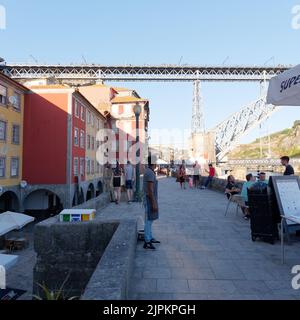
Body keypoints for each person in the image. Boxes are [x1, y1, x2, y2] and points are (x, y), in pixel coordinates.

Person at [143, 155, 160, 250]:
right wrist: (154, 203)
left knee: (151, 219)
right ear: (153, 162)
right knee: (149, 220)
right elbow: (150, 189)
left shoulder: (150, 171)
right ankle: (147, 241)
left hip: (151, 198)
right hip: (149, 199)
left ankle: (150, 237)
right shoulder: (149, 173)